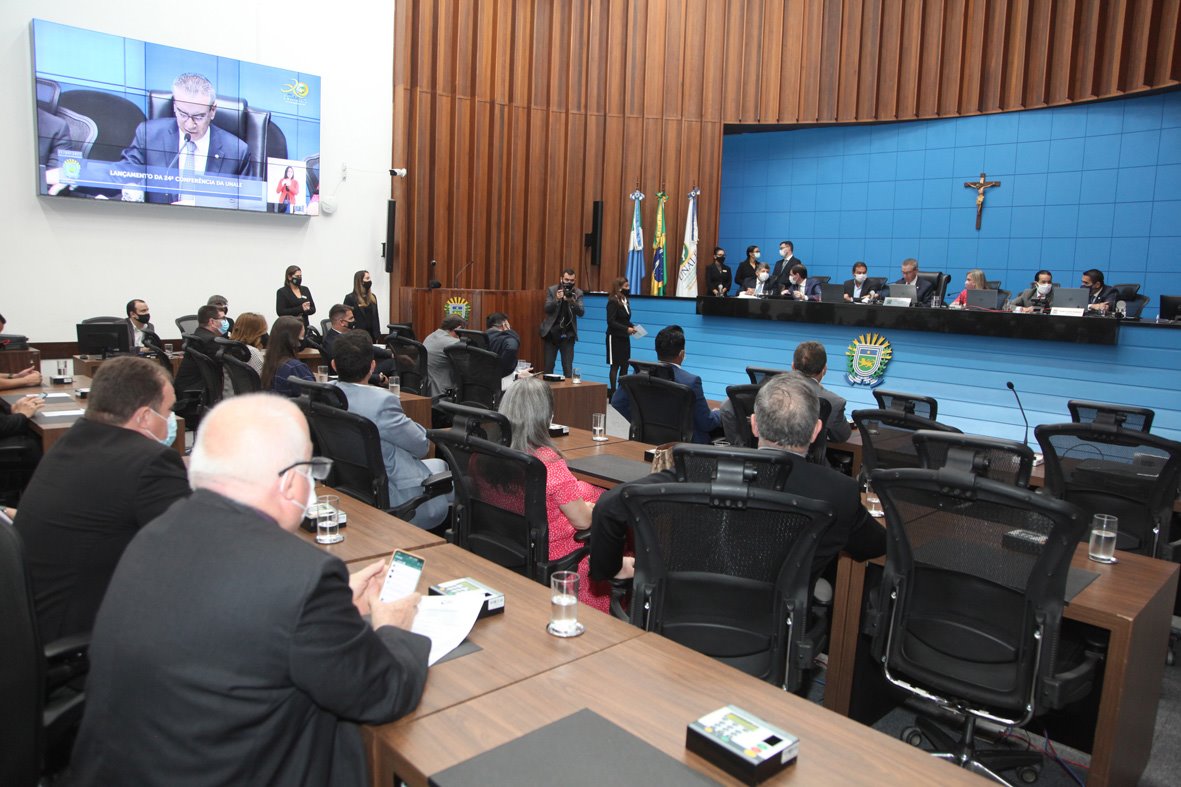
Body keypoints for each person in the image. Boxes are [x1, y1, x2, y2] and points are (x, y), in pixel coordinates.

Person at [68, 394, 430, 786]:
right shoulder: (300, 576)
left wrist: (331, 608)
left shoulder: (157, 532)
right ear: (290, 483)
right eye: (311, 469)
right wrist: (392, 626)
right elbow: (384, 692)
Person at [591, 372, 885, 586]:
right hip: (774, 634)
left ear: (754, 425)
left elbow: (609, 506)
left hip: (679, 621)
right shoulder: (841, 492)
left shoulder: (696, 468)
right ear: (816, 430)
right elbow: (876, 546)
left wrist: (612, 569)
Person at [13, 357, 189, 642]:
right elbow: (193, 549)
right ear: (145, 417)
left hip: (36, 621)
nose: (170, 419)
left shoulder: (74, 440)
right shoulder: (151, 462)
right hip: (84, 636)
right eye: (168, 410)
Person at [498, 376, 630, 612]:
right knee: (625, 542)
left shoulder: (490, 455)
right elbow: (583, 522)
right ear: (547, 417)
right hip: (557, 557)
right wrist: (591, 507)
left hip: (511, 547)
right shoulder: (547, 463)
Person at [331, 331, 451, 530]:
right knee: (454, 480)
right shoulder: (381, 402)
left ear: (334, 365)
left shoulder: (326, 394)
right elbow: (422, 446)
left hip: (351, 485)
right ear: (372, 366)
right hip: (392, 492)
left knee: (439, 465)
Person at [114, 73, 250, 204]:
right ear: (175, 106)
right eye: (183, 114)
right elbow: (122, 175)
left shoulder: (237, 151)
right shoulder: (148, 135)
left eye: (199, 117)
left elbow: (248, 202)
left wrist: (199, 204)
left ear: (212, 110)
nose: (190, 125)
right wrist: (130, 187)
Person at [718, 340, 850, 447]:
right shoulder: (834, 402)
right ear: (824, 369)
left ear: (793, 366)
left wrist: (739, 450)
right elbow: (841, 437)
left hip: (762, 460)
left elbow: (727, 408)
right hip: (806, 466)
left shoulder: (766, 388)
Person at [611, 325, 720, 444]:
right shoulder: (691, 382)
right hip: (685, 448)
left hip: (646, 441)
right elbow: (707, 423)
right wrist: (719, 413)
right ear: (682, 354)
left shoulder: (639, 375)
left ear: (657, 350)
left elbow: (617, 402)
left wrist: (640, 422)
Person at [172, 304, 224, 420]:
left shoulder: (198, 335)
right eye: (222, 319)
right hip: (193, 399)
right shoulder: (210, 342)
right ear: (212, 321)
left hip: (186, 393)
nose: (225, 322)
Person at [539, 268, 585, 377]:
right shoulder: (552, 290)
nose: (569, 282)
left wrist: (571, 301)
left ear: (574, 281)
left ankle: (567, 387)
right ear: (561, 279)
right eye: (566, 279)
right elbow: (547, 309)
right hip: (552, 333)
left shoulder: (578, 293)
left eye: (571, 280)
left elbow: (581, 312)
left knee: (567, 368)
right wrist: (557, 299)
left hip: (568, 335)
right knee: (548, 366)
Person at [260, 316, 314, 396]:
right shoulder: (295, 367)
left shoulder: (270, 363)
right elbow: (315, 396)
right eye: (301, 337)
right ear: (293, 341)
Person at [605, 277, 636, 398]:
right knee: (615, 365)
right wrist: (626, 329)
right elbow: (611, 321)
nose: (629, 288)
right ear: (619, 288)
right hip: (614, 337)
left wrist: (632, 326)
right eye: (626, 286)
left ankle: (621, 392)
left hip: (624, 337)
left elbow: (624, 319)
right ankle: (613, 393)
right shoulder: (613, 301)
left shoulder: (625, 301)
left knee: (625, 364)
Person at [423, 315, 465, 396]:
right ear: (459, 329)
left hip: (429, 390)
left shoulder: (430, 336)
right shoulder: (452, 342)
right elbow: (467, 365)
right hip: (442, 393)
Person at [344, 270, 381, 342]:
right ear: (360, 281)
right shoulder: (350, 298)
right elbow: (347, 318)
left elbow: (376, 317)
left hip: (372, 335)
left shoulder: (373, 297)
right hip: (358, 336)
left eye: (369, 278)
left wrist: (377, 334)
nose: (370, 281)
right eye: (367, 278)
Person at [486, 312, 523, 377]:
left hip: (483, 377)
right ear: (504, 324)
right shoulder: (507, 339)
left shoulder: (483, 337)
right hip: (502, 379)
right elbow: (512, 348)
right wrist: (510, 332)